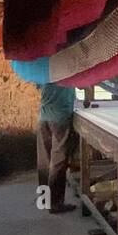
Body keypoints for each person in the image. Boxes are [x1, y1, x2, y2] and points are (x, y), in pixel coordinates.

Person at [36, 82, 76, 214]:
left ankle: (44, 199)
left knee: (45, 161)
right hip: (60, 117)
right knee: (58, 162)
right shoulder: (69, 69)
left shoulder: (44, 70)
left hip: (43, 117)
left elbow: (38, 86)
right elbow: (85, 83)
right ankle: (55, 204)